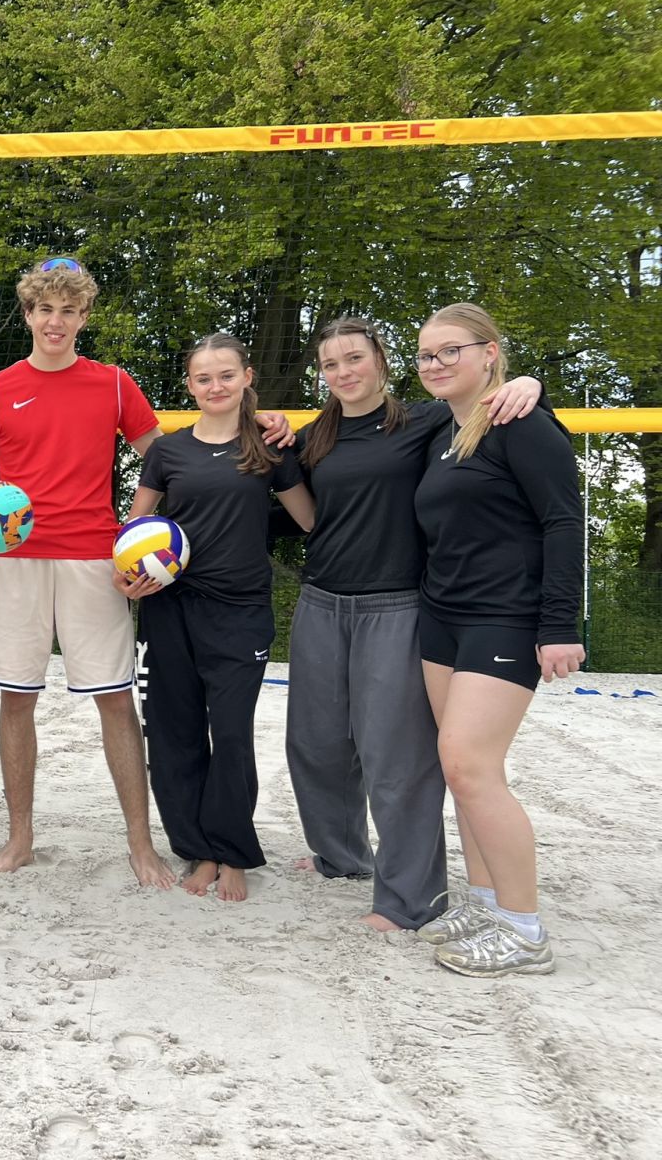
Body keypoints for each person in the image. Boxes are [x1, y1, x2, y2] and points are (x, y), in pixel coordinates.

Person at [283, 317, 544, 931]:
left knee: (396, 759)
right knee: (315, 747)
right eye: (330, 364)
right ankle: (341, 855)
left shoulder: (424, 422)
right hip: (321, 602)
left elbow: (490, 400)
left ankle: (409, 898)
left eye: (354, 358)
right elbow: (301, 509)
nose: (343, 372)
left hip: (396, 606)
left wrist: (530, 383)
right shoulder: (312, 435)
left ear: (380, 359)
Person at [0, 258, 177, 886]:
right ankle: (20, 838)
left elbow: (163, 461)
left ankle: (140, 845)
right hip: (18, 560)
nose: (55, 322)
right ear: (28, 314)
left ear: (84, 317)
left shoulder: (113, 383)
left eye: (68, 310)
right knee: (16, 698)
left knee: (114, 700)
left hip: (92, 556)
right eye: (44, 309)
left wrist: (134, 532)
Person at [410, 303, 582, 976]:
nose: (437, 364)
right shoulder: (441, 430)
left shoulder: (520, 422)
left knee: (470, 762)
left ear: (490, 353)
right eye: (427, 355)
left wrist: (560, 624)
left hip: (504, 618)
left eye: (452, 351)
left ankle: (524, 931)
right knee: (464, 770)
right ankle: (485, 903)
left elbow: (564, 523)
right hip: (443, 617)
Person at [118, 333, 315, 902]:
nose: (215, 386)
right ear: (189, 386)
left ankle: (232, 853)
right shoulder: (168, 451)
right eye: (203, 378)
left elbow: (308, 521)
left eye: (226, 375)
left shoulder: (268, 448)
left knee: (229, 734)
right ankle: (198, 849)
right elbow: (134, 531)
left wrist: (294, 448)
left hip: (240, 612)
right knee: (175, 735)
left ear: (247, 377)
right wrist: (126, 574)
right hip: (169, 609)